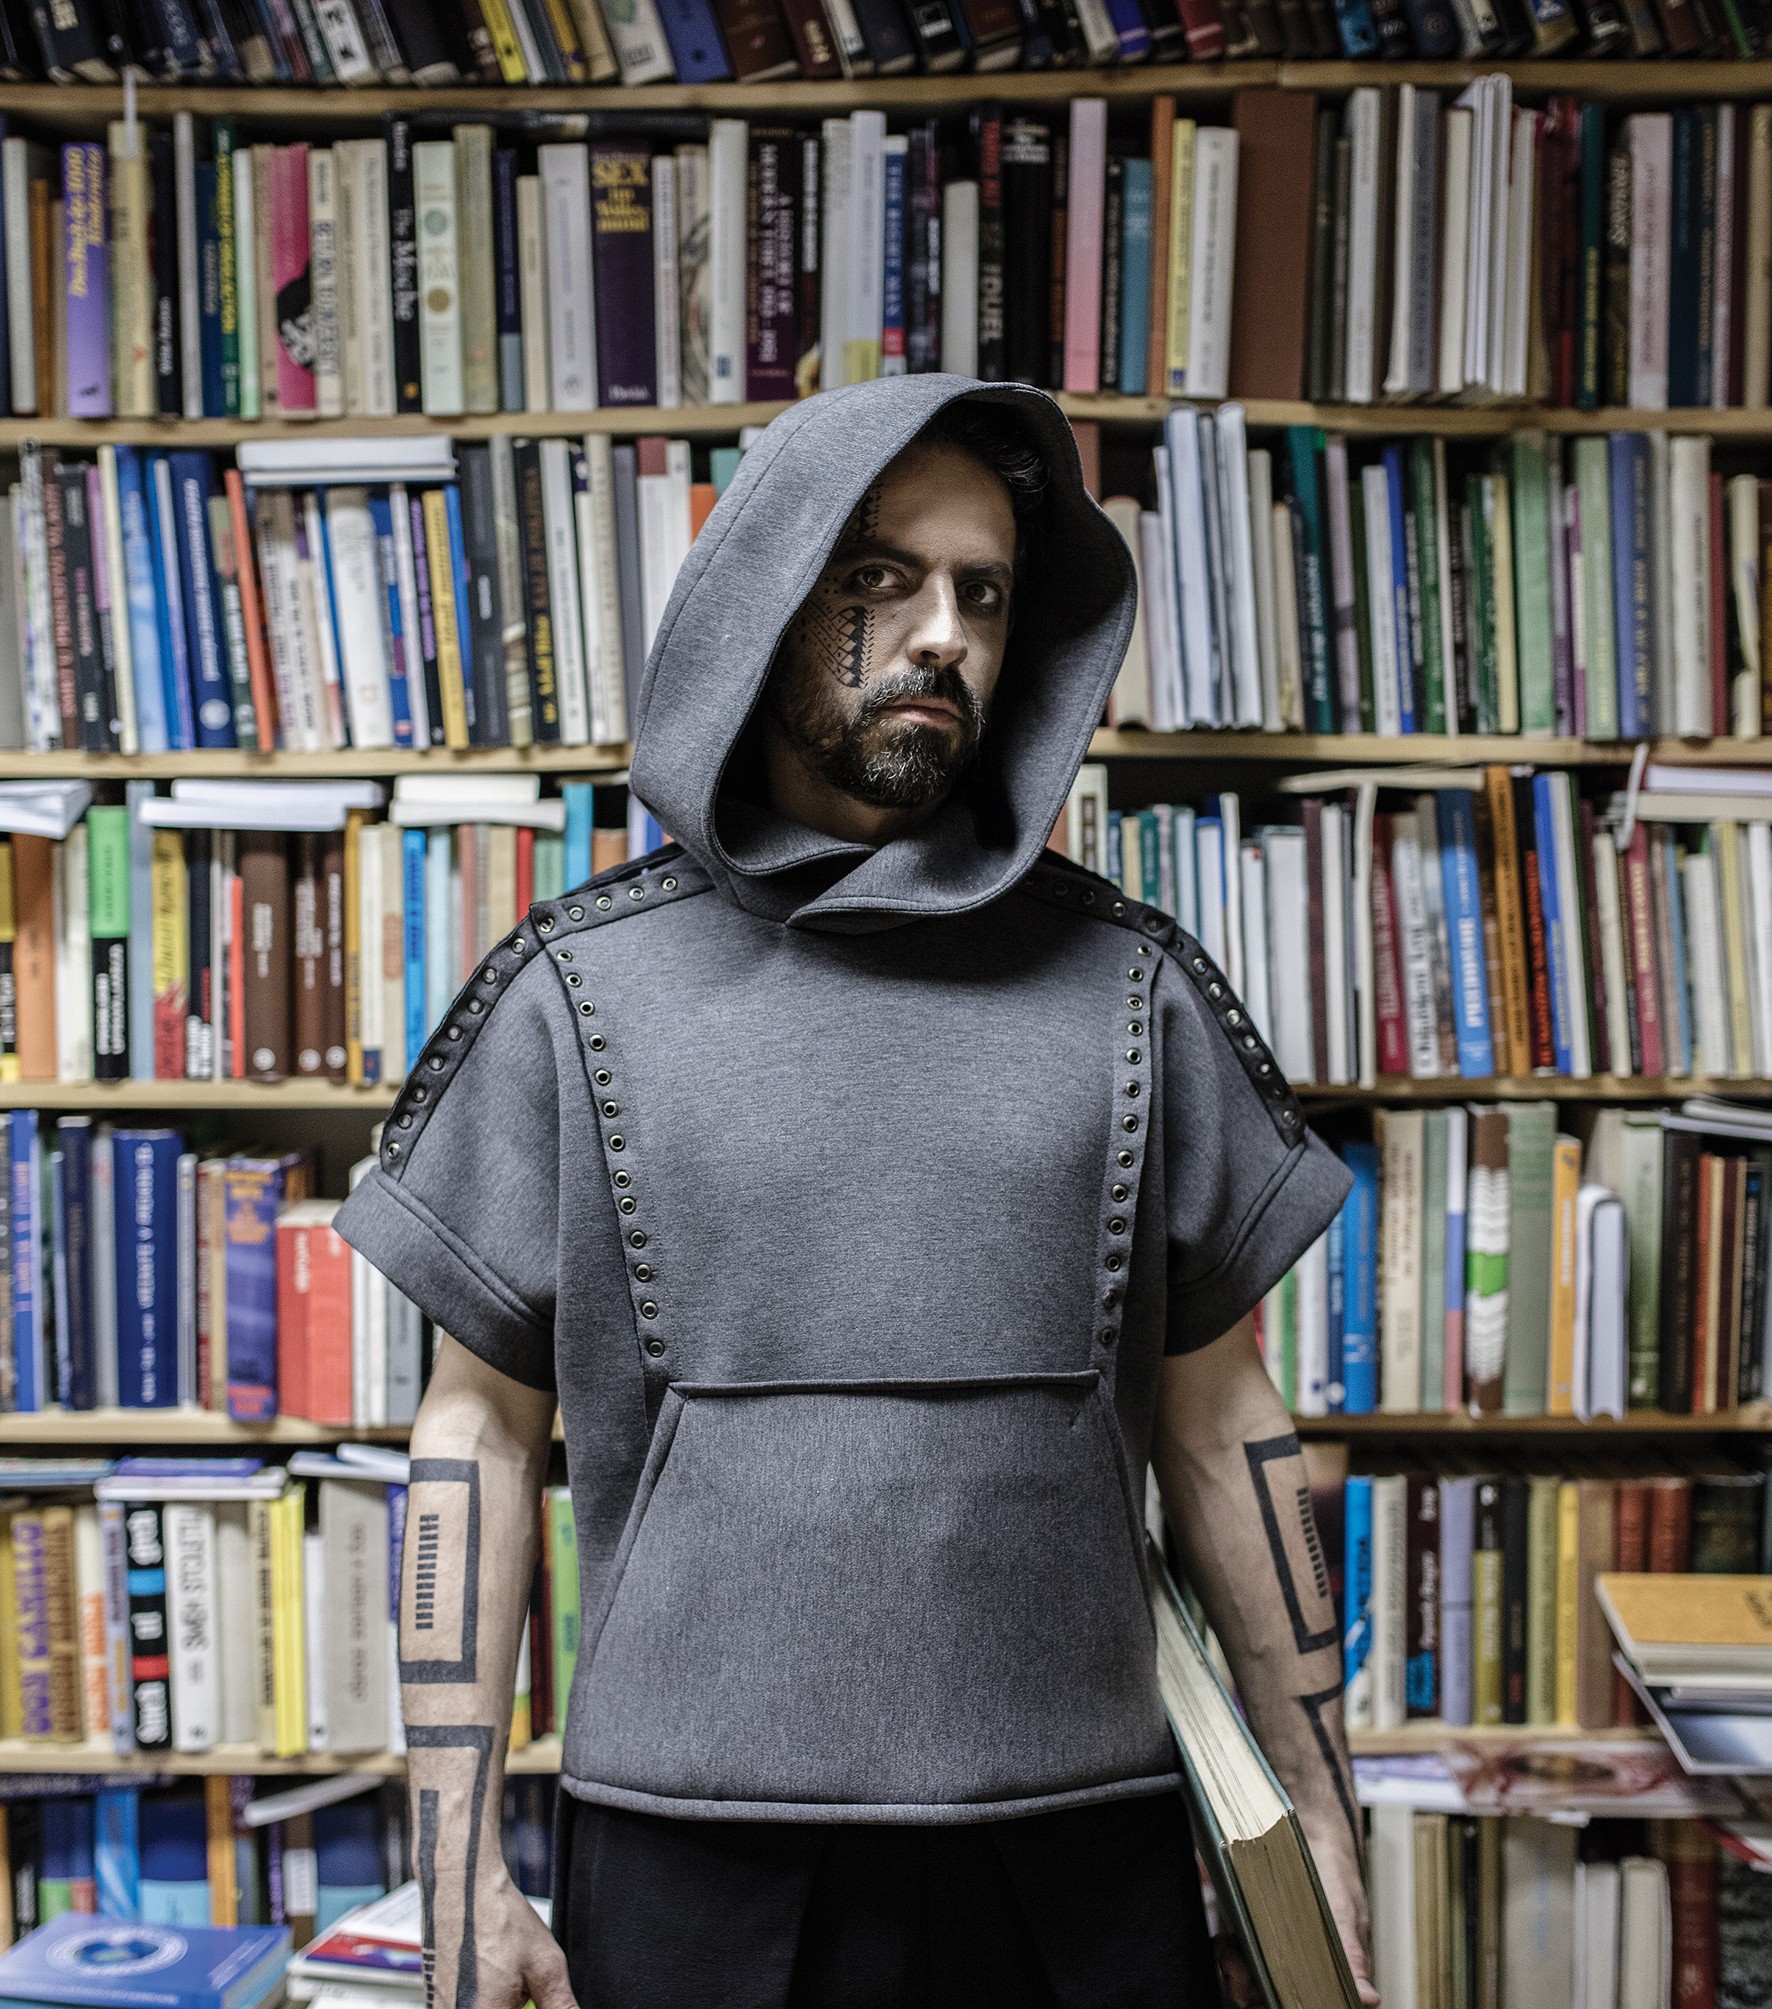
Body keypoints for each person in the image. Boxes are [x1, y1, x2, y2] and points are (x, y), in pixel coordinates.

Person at [333, 375, 1375, 2009]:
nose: (945, 633)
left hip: (1085, 1855)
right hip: (688, 1861)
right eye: (882, 577)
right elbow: (478, 1432)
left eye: (985, 592)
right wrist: (457, 1864)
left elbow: (1223, 1419)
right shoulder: (568, 993)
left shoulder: (1136, 989)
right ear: (764, 595)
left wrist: (1319, 1813)